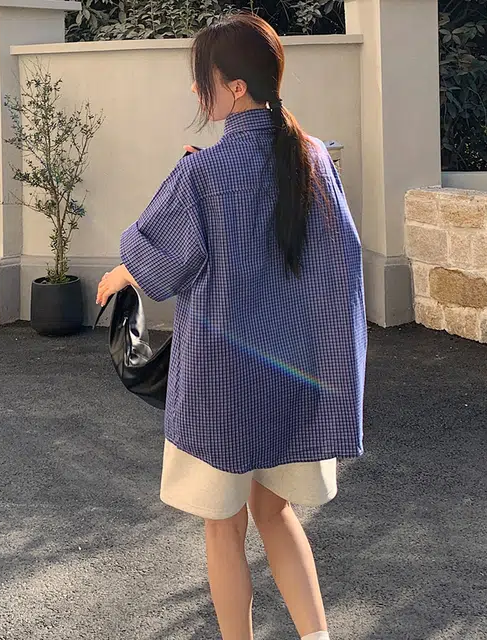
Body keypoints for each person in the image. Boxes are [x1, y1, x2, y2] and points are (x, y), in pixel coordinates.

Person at [97, 13, 366, 640]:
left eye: (204, 81)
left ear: (235, 88)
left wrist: (120, 273)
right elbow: (341, 265)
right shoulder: (313, 158)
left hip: (222, 388)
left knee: (224, 528)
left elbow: (160, 261)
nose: (198, 92)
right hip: (298, 379)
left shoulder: (203, 174)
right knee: (276, 513)